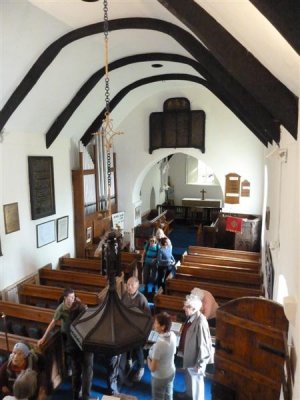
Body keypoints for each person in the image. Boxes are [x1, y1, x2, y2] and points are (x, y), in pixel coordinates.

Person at [37, 288, 93, 400]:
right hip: (73, 341)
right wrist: (44, 337)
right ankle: (78, 394)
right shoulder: (63, 309)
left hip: (78, 341)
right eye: (70, 298)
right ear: (64, 298)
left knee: (80, 369)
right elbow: (53, 323)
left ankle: (80, 394)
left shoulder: (78, 305)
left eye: (73, 297)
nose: (72, 300)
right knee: (81, 369)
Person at [177, 294, 214, 400]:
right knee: (189, 378)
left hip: (196, 358)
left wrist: (200, 363)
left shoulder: (201, 321)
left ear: (193, 308)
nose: (183, 308)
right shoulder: (191, 317)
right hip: (189, 354)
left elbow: (204, 345)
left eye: (186, 306)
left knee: (197, 382)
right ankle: (188, 394)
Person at [121, 276, 150, 383]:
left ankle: (141, 368)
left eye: (131, 285)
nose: (128, 287)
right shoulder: (125, 295)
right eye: (127, 284)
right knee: (126, 345)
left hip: (138, 329)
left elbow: (147, 318)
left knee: (138, 348)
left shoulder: (142, 299)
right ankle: (128, 361)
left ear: (137, 287)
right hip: (126, 327)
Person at [147, 312, 177, 400]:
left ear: (163, 327)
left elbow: (153, 368)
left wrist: (148, 359)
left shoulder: (159, 345)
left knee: (158, 398)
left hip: (160, 377)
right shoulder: (173, 335)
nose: (154, 325)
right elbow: (173, 352)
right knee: (168, 395)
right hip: (171, 371)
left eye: (156, 323)